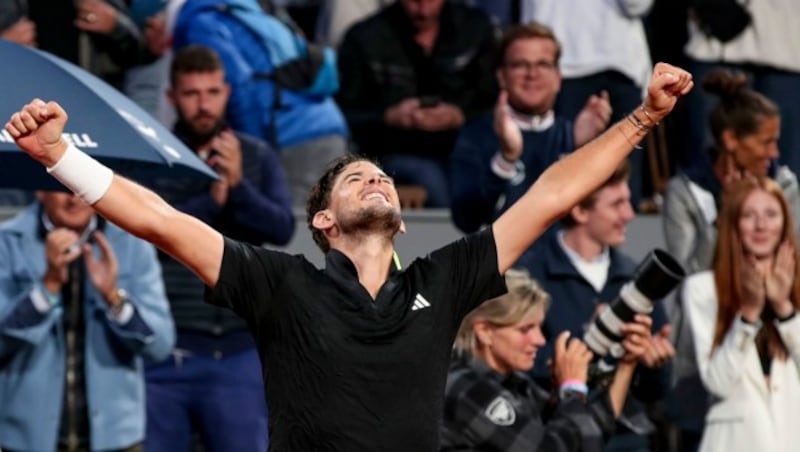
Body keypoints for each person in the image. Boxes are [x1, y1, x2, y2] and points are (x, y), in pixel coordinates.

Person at [4, 61, 692, 451]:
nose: (378, 178)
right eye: (356, 176)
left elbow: (549, 194)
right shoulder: (281, 283)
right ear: (325, 220)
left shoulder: (443, 278)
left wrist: (643, 120)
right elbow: (161, 222)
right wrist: (61, 157)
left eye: (382, 175)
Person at [143, 45, 294, 452]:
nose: (203, 104)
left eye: (211, 92)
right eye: (192, 94)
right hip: (167, 350)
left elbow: (283, 228)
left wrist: (239, 188)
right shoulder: (153, 158)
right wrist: (212, 200)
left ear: (227, 92)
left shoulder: (257, 155)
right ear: (173, 97)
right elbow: (144, 237)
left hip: (241, 347)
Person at [662, 69, 800, 451]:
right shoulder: (686, 190)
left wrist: (781, 303)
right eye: (766, 142)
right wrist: (727, 216)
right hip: (708, 350)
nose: (774, 153)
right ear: (731, 141)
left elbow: (791, 255)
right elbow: (682, 272)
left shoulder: (784, 185)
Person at [0, 191, 175, 451]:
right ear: (39, 190)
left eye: (81, 184)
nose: (74, 198)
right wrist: (46, 289)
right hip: (26, 439)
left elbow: (161, 345)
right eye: (62, 186)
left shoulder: (132, 242)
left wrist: (113, 298)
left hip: (116, 439)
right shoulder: (6, 242)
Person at [520, 159, 675, 452]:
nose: (629, 214)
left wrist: (652, 363)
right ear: (579, 210)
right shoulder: (531, 276)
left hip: (627, 440)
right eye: (616, 204)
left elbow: (658, 392)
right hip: (559, 437)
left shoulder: (635, 278)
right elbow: (516, 366)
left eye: (629, 201)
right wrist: (588, 342)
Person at [441, 268, 652, 451]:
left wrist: (626, 364)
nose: (540, 340)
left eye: (539, 327)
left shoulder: (515, 382)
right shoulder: (463, 386)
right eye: (525, 329)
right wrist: (572, 390)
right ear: (484, 331)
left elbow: (588, 434)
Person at [168, 0, 350, 207]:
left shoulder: (201, 24)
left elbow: (240, 86)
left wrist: (254, 158)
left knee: (305, 229)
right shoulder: (244, 8)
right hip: (322, 123)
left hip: (295, 137)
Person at [450, 21, 611, 233]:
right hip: (503, 264)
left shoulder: (573, 134)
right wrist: (506, 159)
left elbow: (603, 219)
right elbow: (467, 220)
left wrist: (584, 150)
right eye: (520, 65)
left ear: (558, 78)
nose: (532, 74)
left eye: (543, 64)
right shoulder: (475, 135)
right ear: (502, 76)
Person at [336, 0, 499, 207]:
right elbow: (345, 113)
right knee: (432, 180)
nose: (422, 9)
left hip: (466, 144)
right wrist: (389, 117)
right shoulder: (365, 38)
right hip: (396, 151)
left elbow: (493, 98)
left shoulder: (475, 30)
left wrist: (460, 115)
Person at [683, 177, 800, 452]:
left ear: (784, 223)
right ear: (734, 225)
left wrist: (784, 309)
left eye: (771, 214)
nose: (761, 226)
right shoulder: (702, 290)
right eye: (749, 215)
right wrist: (749, 312)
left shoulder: (797, 287)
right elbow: (718, 382)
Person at [520, 0, 654, 210]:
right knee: (560, 189)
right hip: (559, 64)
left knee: (622, 195)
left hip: (621, 67)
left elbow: (637, 5)